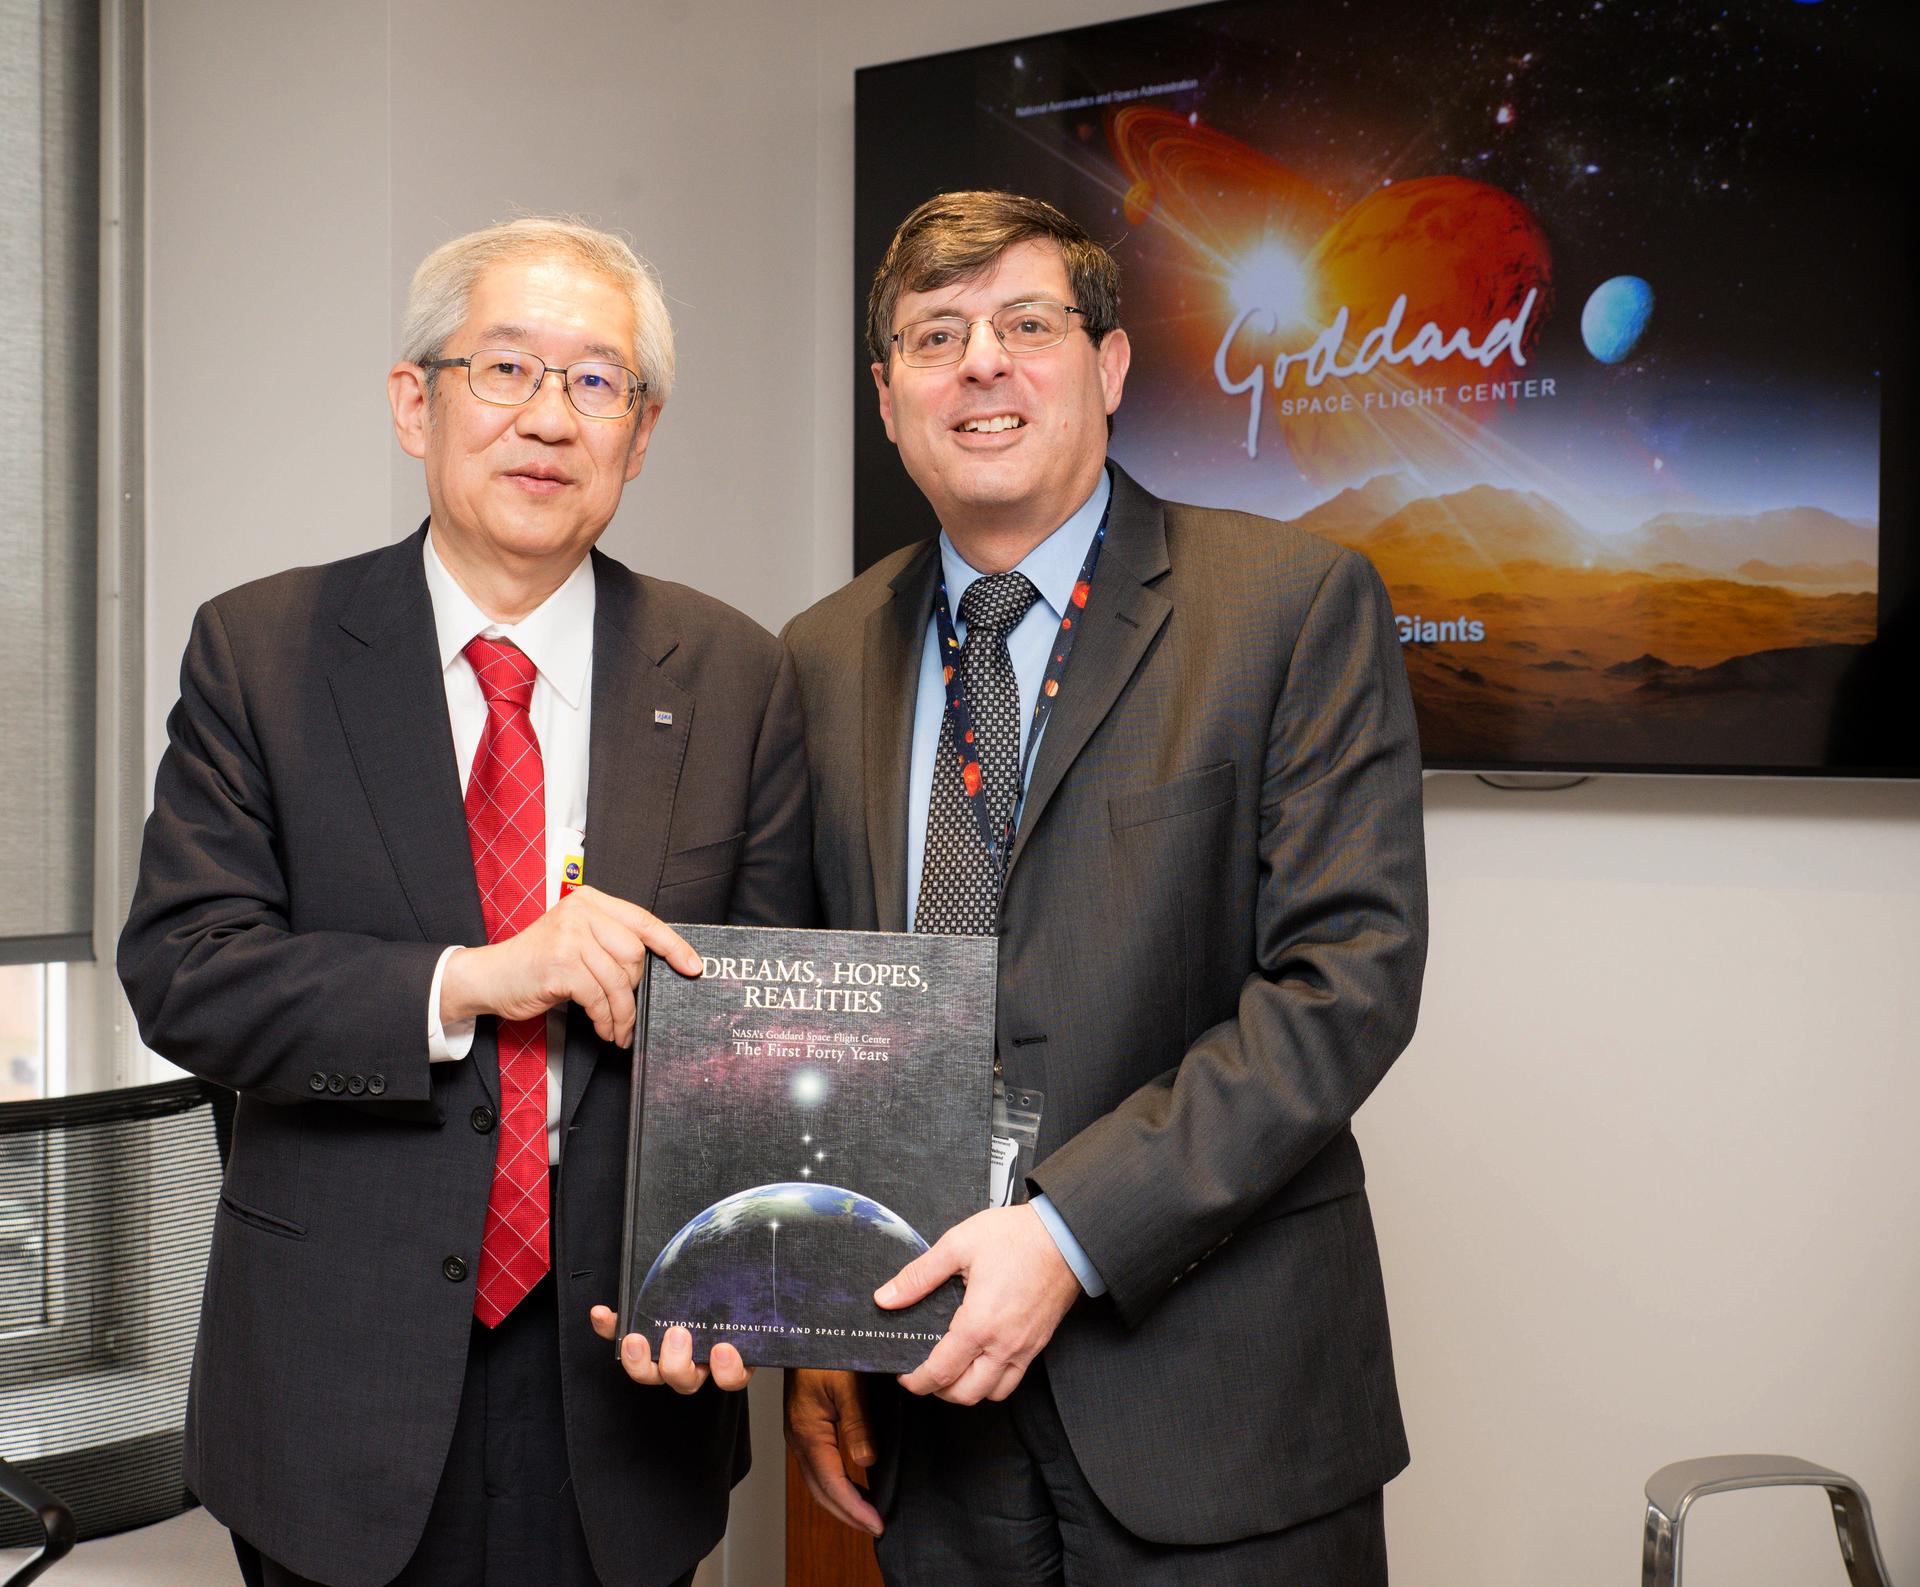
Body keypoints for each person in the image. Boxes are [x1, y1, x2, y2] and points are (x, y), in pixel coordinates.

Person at [118, 217, 811, 1587]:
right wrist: (474, 977)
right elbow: (188, 971)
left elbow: (768, 1033)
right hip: (335, 1377)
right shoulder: (263, 651)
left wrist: (742, 1283)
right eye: (505, 368)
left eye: (597, 381)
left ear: (641, 433)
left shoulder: (735, 674)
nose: (550, 418)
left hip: (628, 1386)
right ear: (413, 402)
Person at [782, 191, 1428, 1584]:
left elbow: (1345, 985)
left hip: (1218, 1412)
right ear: (888, 397)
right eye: (936, 336)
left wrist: (1068, 1235)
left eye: (1028, 324)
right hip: (929, 1405)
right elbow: (815, 1010)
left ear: (1111, 365)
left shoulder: (1291, 604)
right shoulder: (819, 656)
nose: (982, 364)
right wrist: (819, 1321)